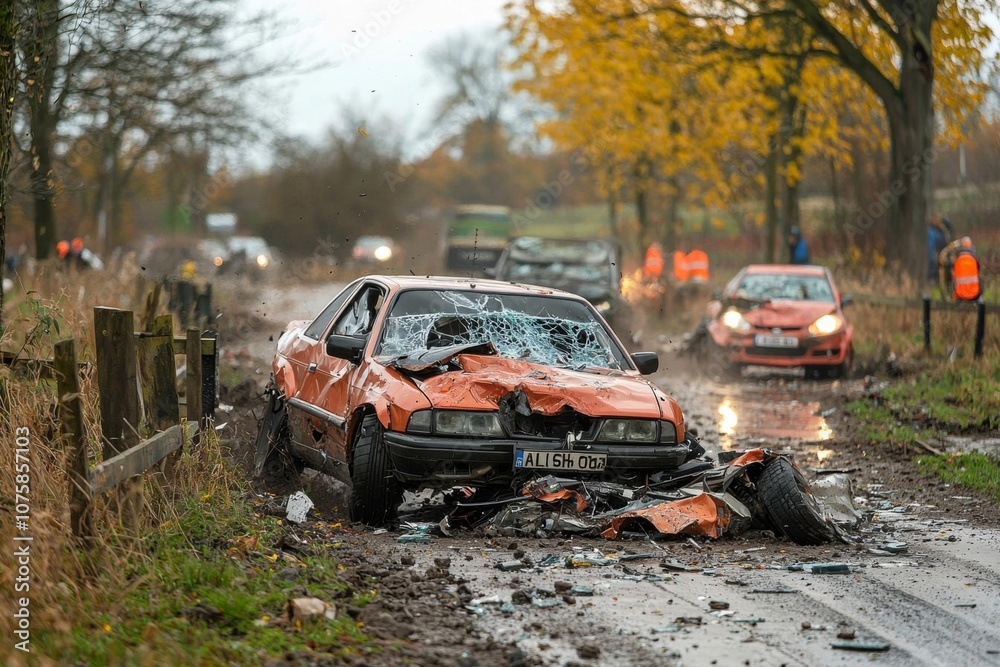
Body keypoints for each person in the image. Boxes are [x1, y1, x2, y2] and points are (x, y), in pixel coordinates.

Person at [939, 236, 981, 301]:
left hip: (959, 295)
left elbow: (942, 257)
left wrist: (954, 244)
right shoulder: (974, 261)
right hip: (974, 294)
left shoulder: (958, 261)